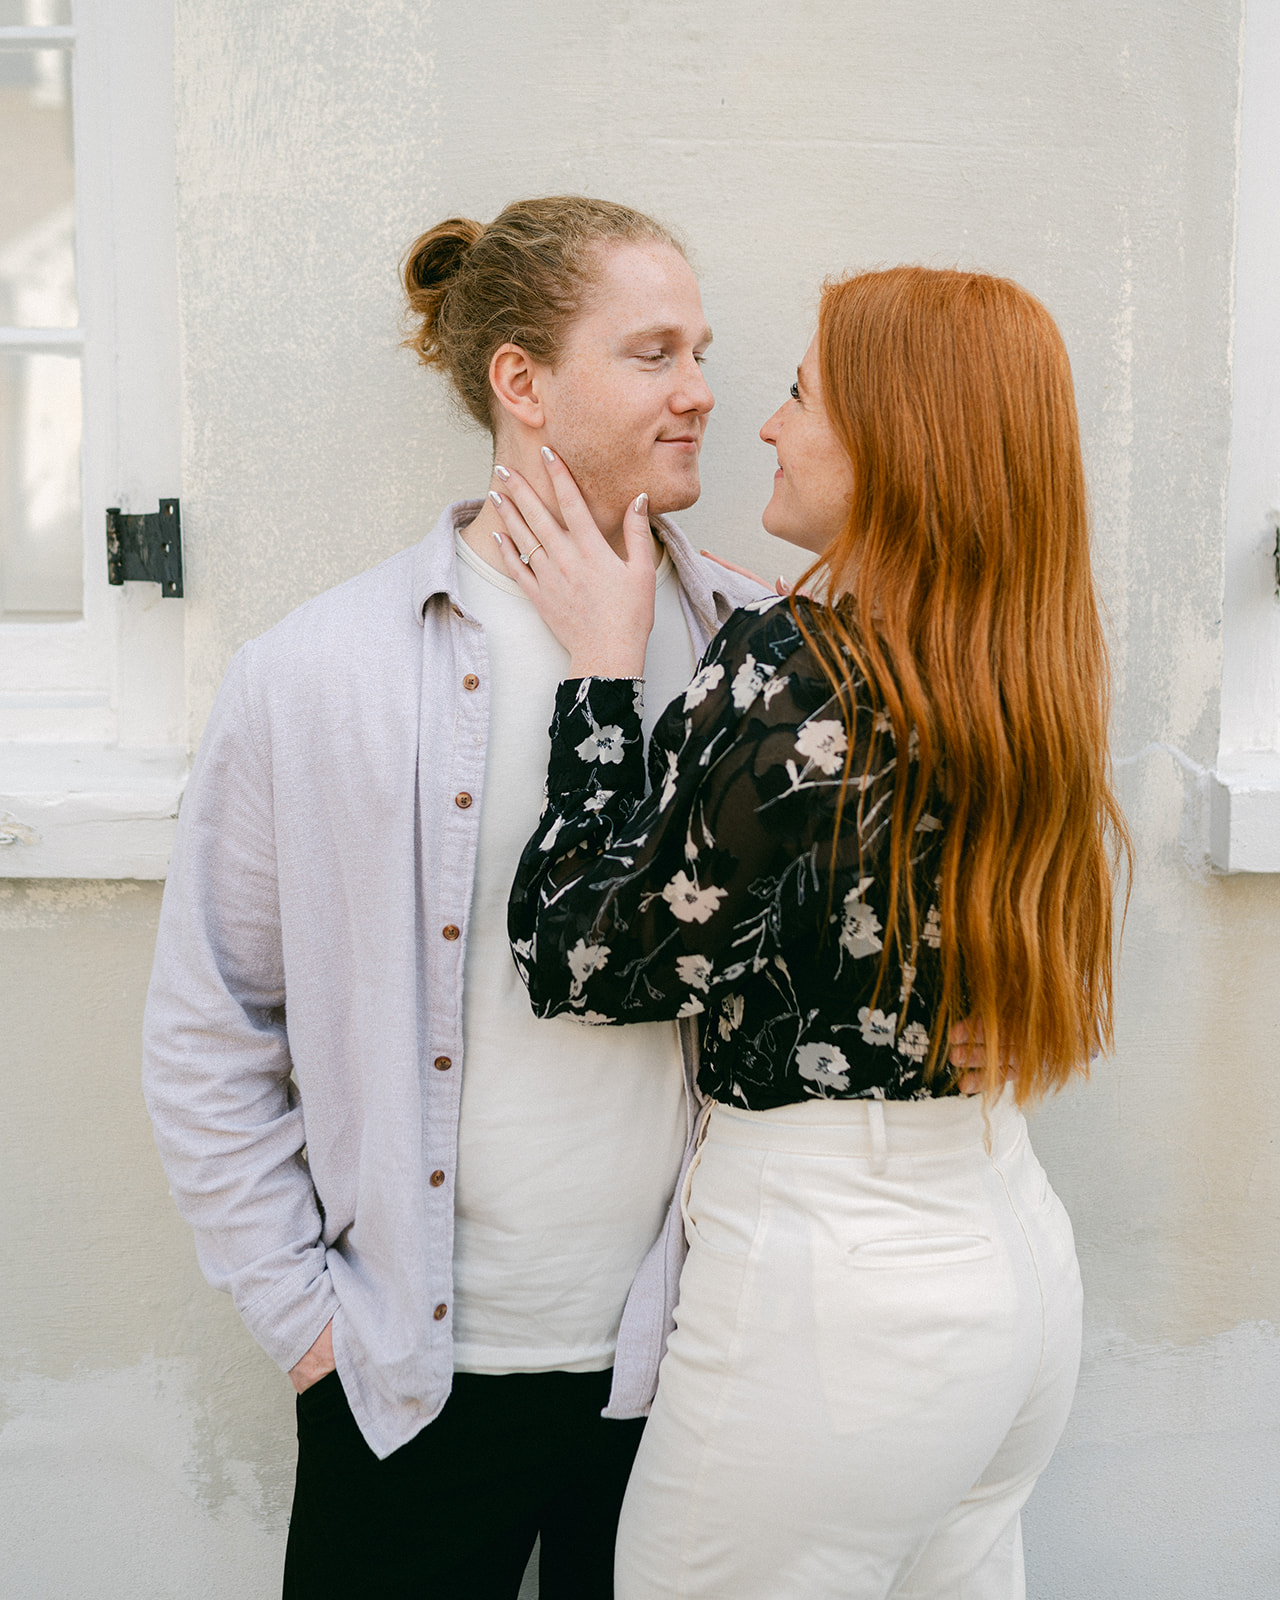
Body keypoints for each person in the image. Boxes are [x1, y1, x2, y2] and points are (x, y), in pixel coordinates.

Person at [140, 195, 769, 1600]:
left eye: (703, 350)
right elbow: (211, 1025)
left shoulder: (757, 655)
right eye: (655, 352)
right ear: (522, 381)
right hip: (407, 1376)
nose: (702, 391)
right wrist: (308, 1322)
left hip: (684, 1368)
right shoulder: (319, 672)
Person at [496, 265, 1132, 1598]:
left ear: (901, 440)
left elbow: (584, 956)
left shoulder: (798, 664)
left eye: (798, 394)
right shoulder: (1016, 658)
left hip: (835, 1286)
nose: (767, 427)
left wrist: (602, 684)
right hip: (1004, 1254)